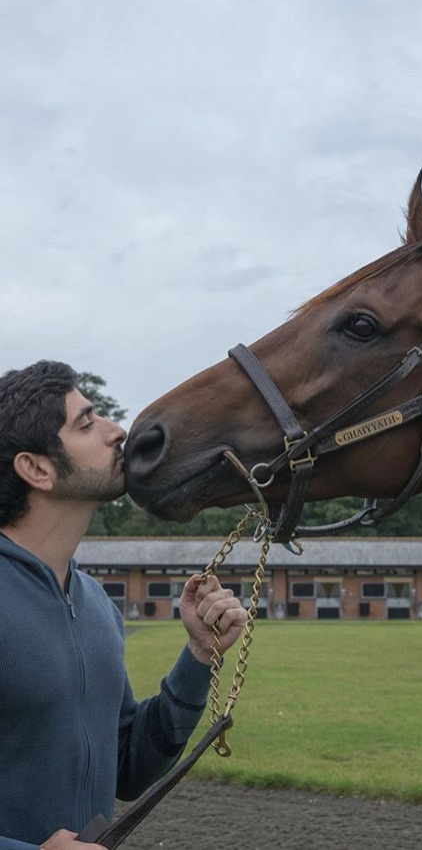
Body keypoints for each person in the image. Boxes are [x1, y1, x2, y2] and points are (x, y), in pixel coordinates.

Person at [0, 361, 248, 850]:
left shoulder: (95, 603)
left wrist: (199, 656)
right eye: (87, 424)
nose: (118, 432)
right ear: (36, 469)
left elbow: (129, 767)